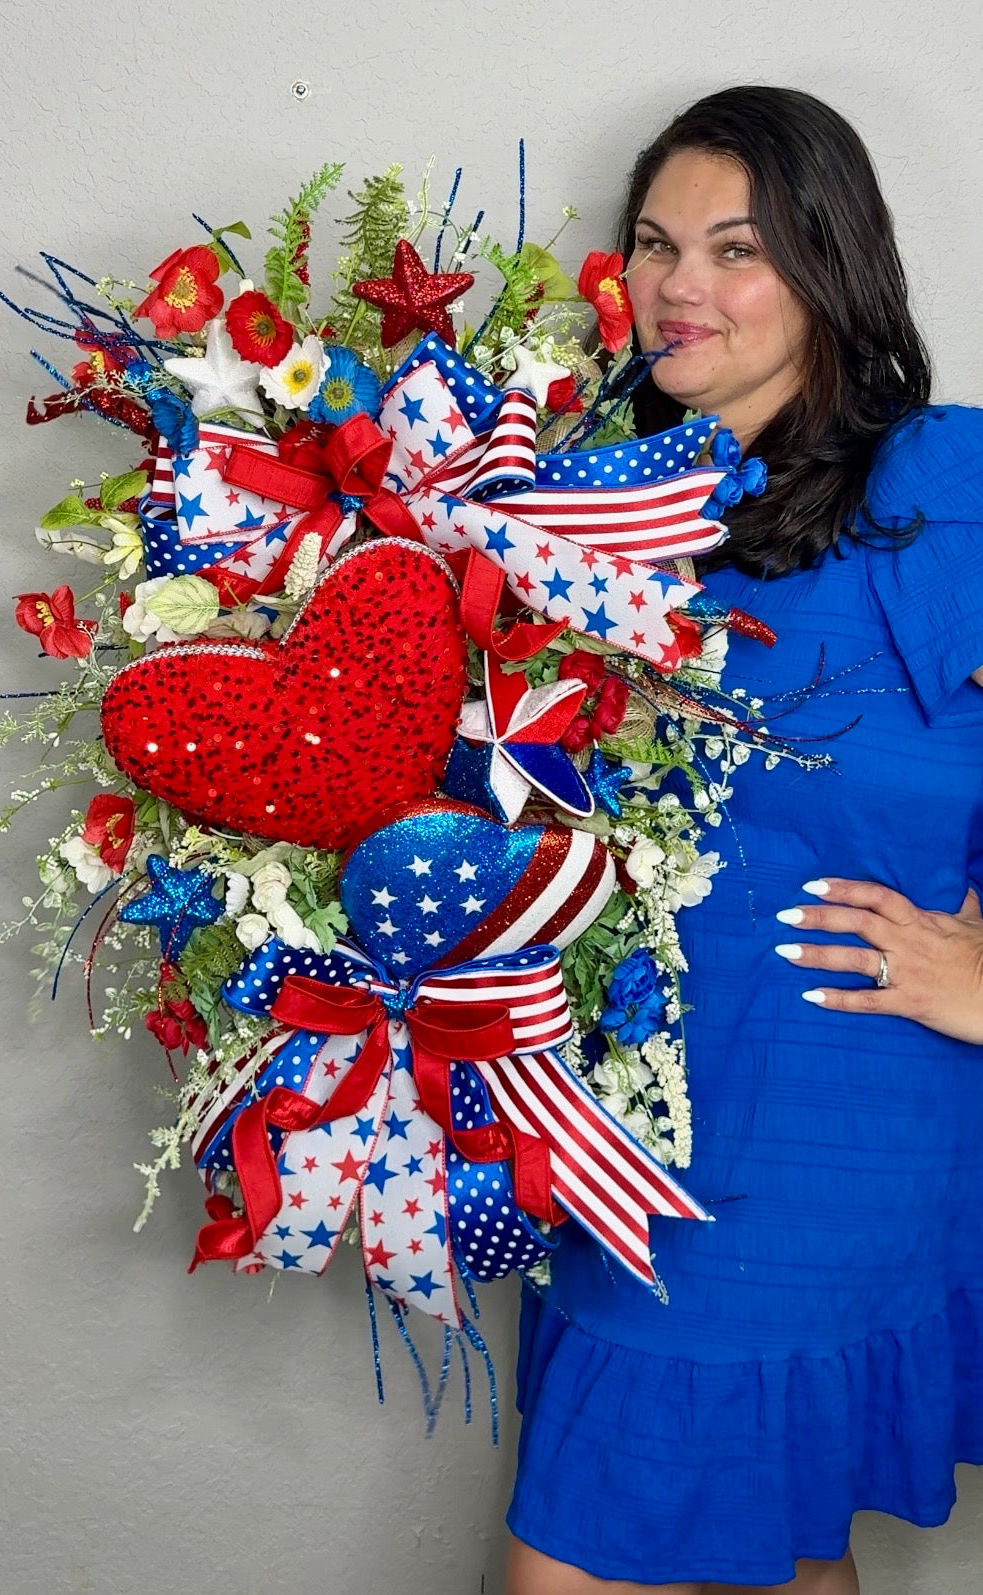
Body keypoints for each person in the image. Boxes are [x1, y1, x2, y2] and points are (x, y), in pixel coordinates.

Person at [506, 86, 983, 1594]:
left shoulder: (944, 485)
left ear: (830, 264)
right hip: (627, 1107)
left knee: (577, 1558)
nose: (677, 285)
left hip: (831, 1098)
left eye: (736, 247)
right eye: (652, 244)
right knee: (769, 1549)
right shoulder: (609, 499)